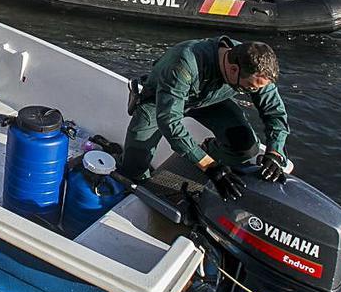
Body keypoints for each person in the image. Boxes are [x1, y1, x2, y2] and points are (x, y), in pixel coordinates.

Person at [120, 37, 290, 201]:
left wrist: (275, 153)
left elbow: (274, 112)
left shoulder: (256, 70)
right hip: (160, 101)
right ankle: (142, 182)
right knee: (133, 166)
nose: (254, 91)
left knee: (245, 146)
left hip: (210, 101)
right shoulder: (184, 63)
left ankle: (209, 151)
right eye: (250, 88)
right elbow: (169, 120)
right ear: (233, 69)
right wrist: (209, 166)